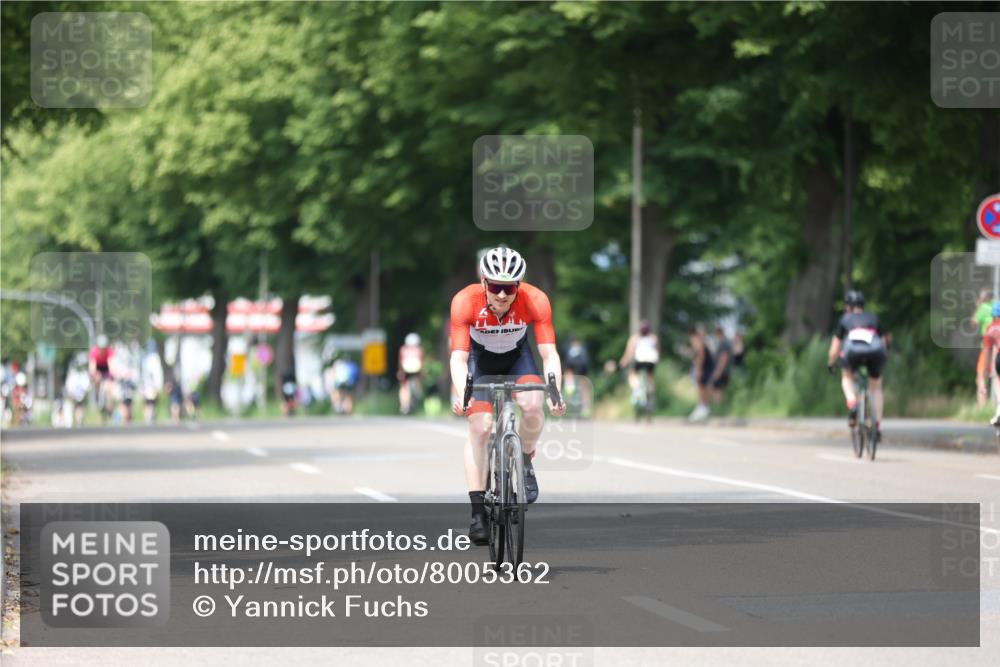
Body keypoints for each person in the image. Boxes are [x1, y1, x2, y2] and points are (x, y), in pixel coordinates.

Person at [449, 246, 565, 545]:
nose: (502, 295)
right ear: (485, 283)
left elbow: (549, 353)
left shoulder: (535, 299)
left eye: (510, 288)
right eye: (497, 287)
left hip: (517, 357)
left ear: (519, 286)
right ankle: (477, 513)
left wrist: (555, 389)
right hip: (479, 360)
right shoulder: (465, 301)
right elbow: (458, 359)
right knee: (481, 426)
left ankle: (524, 460)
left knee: (533, 402)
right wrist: (463, 394)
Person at [827, 289, 889, 443]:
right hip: (875, 352)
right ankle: (877, 426)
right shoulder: (873, 317)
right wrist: (882, 360)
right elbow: (884, 343)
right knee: (876, 387)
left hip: (853, 353)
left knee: (846, 377)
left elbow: (835, 349)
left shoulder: (845, 319)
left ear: (847, 306)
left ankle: (853, 403)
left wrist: (831, 363)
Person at [619, 319, 660, 411]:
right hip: (651, 361)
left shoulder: (635, 338)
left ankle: (636, 389)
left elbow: (629, 353)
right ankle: (651, 392)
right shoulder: (653, 338)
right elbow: (657, 352)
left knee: (632, 374)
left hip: (639, 361)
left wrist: (623, 362)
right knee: (650, 376)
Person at [977, 301, 1000, 424]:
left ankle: (999, 410)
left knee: (997, 377)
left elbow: (987, 354)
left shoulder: (990, 328)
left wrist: (985, 377)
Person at [688, 326, 714, 421]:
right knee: (703, 387)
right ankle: (703, 408)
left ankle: (702, 408)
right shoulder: (703, 342)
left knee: (701, 387)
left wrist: (699, 370)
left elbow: (701, 356)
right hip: (706, 367)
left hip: (703, 368)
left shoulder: (698, 342)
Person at [974, 289, 996, 405]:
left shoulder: (983, 308)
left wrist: (978, 306)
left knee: (981, 376)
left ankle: (982, 406)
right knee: (996, 376)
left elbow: (974, 323)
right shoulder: (996, 306)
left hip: (987, 346)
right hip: (998, 346)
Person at [562, 337, 592, 416]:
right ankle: (569, 387)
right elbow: (567, 364)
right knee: (569, 374)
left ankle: (586, 407)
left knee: (584, 388)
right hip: (573, 369)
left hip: (582, 370)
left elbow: (585, 364)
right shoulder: (571, 349)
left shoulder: (582, 350)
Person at [397, 332, 424, 415]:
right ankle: (417, 393)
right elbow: (422, 361)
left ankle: (404, 405)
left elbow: (400, 362)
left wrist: (400, 371)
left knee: (404, 386)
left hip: (406, 369)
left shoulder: (403, 349)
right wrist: (422, 373)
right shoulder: (419, 349)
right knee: (417, 381)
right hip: (416, 369)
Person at [140, 340, 164, 424]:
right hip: (151, 385)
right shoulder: (154, 358)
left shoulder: (145, 358)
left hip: (148, 385)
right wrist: (158, 386)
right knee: (151, 403)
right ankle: (149, 418)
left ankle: (149, 418)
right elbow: (157, 374)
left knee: (148, 402)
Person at [709, 327, 733, 403]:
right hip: (722, 370)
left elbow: (724, 358)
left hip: (722, 371)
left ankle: (719, 405)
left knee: (717, 389)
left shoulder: (724, 343)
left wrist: (718, 371)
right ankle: (718, 405)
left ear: (718, 333)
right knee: (716, 388)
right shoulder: (722, 343)